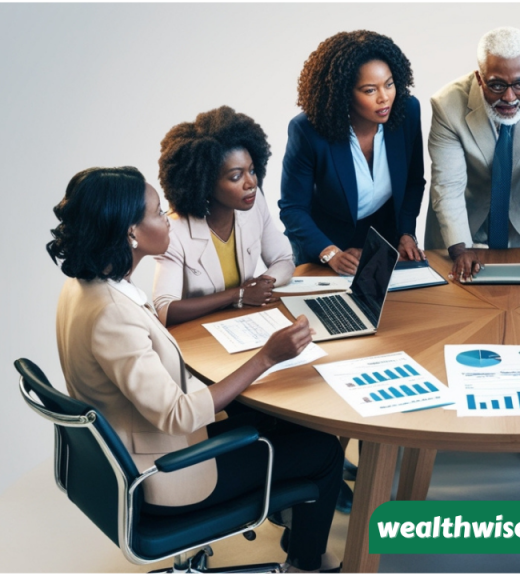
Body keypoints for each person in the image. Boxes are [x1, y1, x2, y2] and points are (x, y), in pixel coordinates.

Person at [48, 167, 346, 572]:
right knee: (324, 448)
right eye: (157, 212)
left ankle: (294, 514)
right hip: (167, 475)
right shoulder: (112, 314)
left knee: (270, 416)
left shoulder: (83, 288)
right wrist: (266, 357)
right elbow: (177, 415)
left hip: (133, 450)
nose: (167, 216)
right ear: (130, 233)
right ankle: (308, 563)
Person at [425, 26, 520, 282]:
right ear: (479, 78)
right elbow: (447, 187)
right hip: (460, 221)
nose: (510, 97)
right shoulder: (447, 104)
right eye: (496, 85)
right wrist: (461, 247)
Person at [280, 30, 426, 275]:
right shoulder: (307, 131)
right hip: (324, 245)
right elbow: (293, 208)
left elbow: (413, 182)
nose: (385, 98)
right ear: (343, 93)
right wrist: (331, 253)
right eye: (370, 90)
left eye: (389, 84)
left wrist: (406, 233)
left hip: (381, 240)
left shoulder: (407, 112)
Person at [153, 106, 295, 327]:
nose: (251, 183)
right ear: (205, 183)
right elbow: (165, 309)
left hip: (241, 324)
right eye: (236, 176)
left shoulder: (254, 203)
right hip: (196, 336)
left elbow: (284, 259)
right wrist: (238, 295)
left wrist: (263, 284)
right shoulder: (175, 231)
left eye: (252, 170)